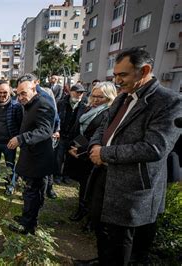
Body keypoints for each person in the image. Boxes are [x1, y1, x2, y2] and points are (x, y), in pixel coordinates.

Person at [87, 48, 182, 265]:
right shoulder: (123, 97)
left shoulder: (168, 101)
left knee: (121, 241)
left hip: (132, 187)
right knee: (101, 228)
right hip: (104, 175)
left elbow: (154, 148)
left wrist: (105, 153)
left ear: (145, 70)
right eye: (116, 75)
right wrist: (94, 147)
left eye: (123, 75)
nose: (117, 81)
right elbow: (103, 127)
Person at [7, 79, 55, 235]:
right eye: (18, 94)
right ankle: (27, 219)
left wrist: (20, 139)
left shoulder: (43, 104)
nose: (20, 97)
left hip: (39, 159)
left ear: (34, 89)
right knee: (30, 191)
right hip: (32, 155)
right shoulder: (30, 104)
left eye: (23, 93)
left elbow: (45, 131)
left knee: (33, 192)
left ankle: (28, 226)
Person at [65, 82, 117, 223]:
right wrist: (74, 147)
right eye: (93, 96)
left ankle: (88, 214)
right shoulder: (88, 108)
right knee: (83, 184)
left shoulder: (110, 113)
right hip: (81, 149)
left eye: (100, 97)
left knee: (91, 186)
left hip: (94, 153)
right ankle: (82, 209)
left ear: (109, 97)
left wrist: (82, 150)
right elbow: (79, 129)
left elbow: (101, 136)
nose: (95, 99)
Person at [0, 80, 23, 190]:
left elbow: (20, 123)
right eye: (0, 92)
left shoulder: (16, 106)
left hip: (9, 142)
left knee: (10, 166)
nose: (2, 95)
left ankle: (9, 186)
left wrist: (16, 138)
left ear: (10, 92)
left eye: (5, 92)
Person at [54, 83, 88, 184]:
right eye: (77, 92)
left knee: (70, 157)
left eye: (81, 93)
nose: (80, 95)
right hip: (62, 134)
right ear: (71, 92)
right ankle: (57, 175)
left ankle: (66, 175)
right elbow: (56, 118)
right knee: (59, 156)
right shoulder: (61, 103)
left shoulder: (84, 105)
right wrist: (57, 130)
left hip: (76, 136)